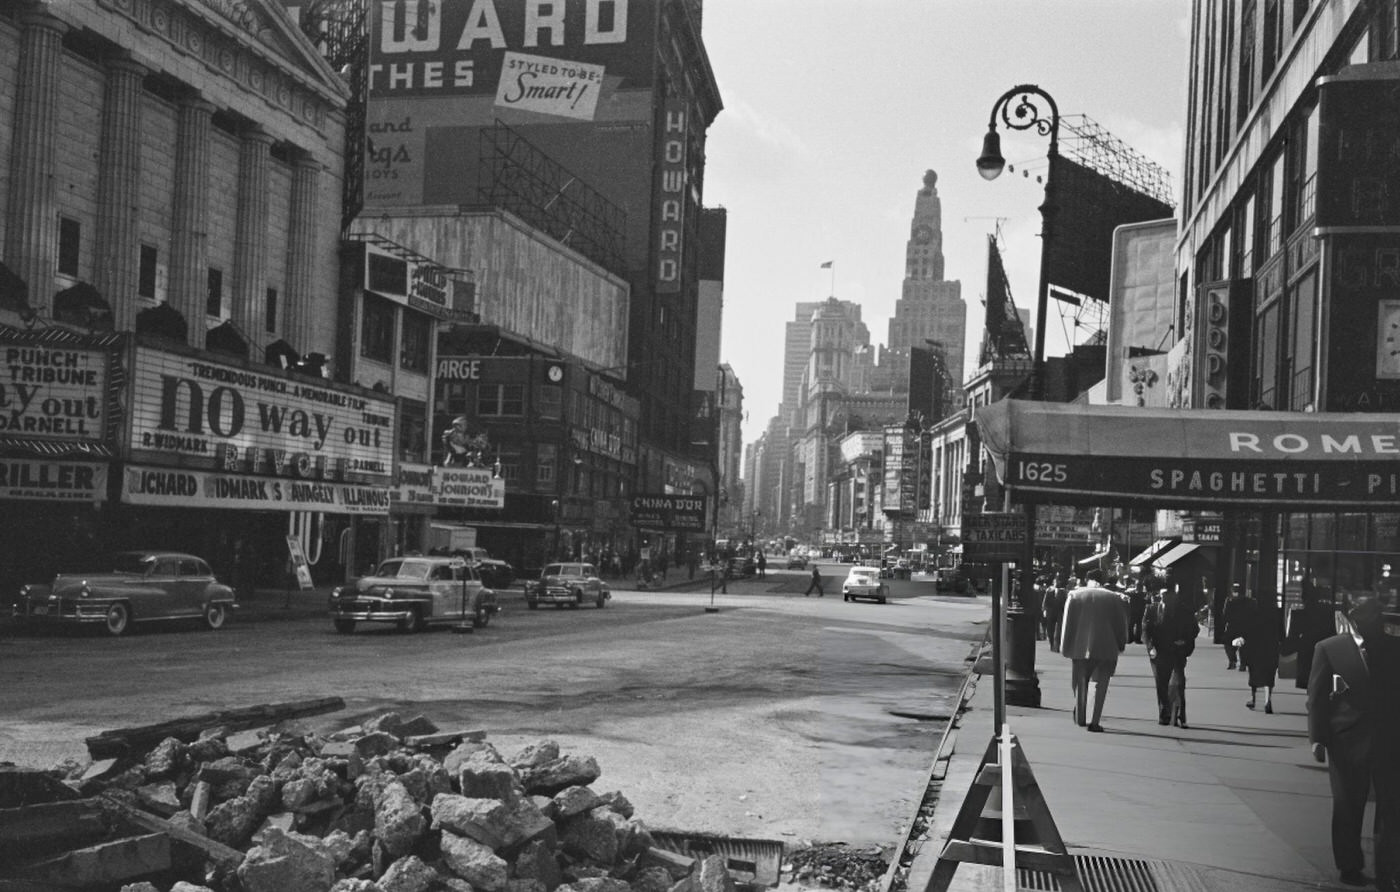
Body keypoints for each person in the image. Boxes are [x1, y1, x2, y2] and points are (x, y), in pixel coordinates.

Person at [1307, 592, 1400, 890]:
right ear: (1351, 617)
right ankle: (1349, 864)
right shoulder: (1329, 648)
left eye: (1373, 615)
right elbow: (1317, 697)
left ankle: (1387, 869)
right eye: (1362, 615)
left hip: (1389, 737)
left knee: (1391, 807)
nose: (1368, 622)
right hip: (1346, 739)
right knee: (1348, 805)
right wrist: (1317, 738)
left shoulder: (1395, 647)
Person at [1059, 568, 1129, 732]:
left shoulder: (1075, 595)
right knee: (1101, 684)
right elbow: (1121, 624)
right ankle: (1094, 721)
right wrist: (1121, 643)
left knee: (1079, 681)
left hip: (1079, 646)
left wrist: (1065, 646)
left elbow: (1067, 623)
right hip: (1106, 645)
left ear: (1086, 579)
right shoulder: (1113, 597)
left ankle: (1081, 712)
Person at [1142, 583, 1199, 727]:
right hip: (1159, 651)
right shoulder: (1152, 609)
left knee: (1179, 682)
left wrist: (1185, 640)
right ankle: (1164, 713)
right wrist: (1150, 647)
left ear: (1175, 596)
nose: (1165, 599)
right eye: (1163, 596)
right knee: (1161, 683)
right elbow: (1145, 630)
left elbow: (1194, 629)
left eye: (1169, 596)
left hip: (1177, 651)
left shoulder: (1185, 611)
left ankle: (1180, 714)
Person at [1242, 594, 1282, 713]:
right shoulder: (1276, 614)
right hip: (1271, 647)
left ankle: (1253, 699)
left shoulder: (1253, 613)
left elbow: (1247, 631)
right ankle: (1267, 700)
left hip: (1255, 647)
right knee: (1269, 675)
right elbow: (1281, 633)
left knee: (1254, 673)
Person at [1221, 583, 1255, 672]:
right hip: (1245, 626)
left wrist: (1225, 623)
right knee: (1243, 645)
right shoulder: (1249, 601)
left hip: (1232, 626)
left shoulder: (1230, 600)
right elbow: (1253, 614)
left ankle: (1232, 661)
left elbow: (1225, 614)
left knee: (1228, 644)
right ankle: (1243, 664)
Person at [1126, 580, 1149, 644]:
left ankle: (1131, 638)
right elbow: (1148, 601)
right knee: (1137, 625)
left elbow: (1126, 593)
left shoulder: (1133, 593)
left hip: (1134, 611)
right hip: (1139, 611)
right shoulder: (1143, 594)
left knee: (1132, 625)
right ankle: (1136, 639)